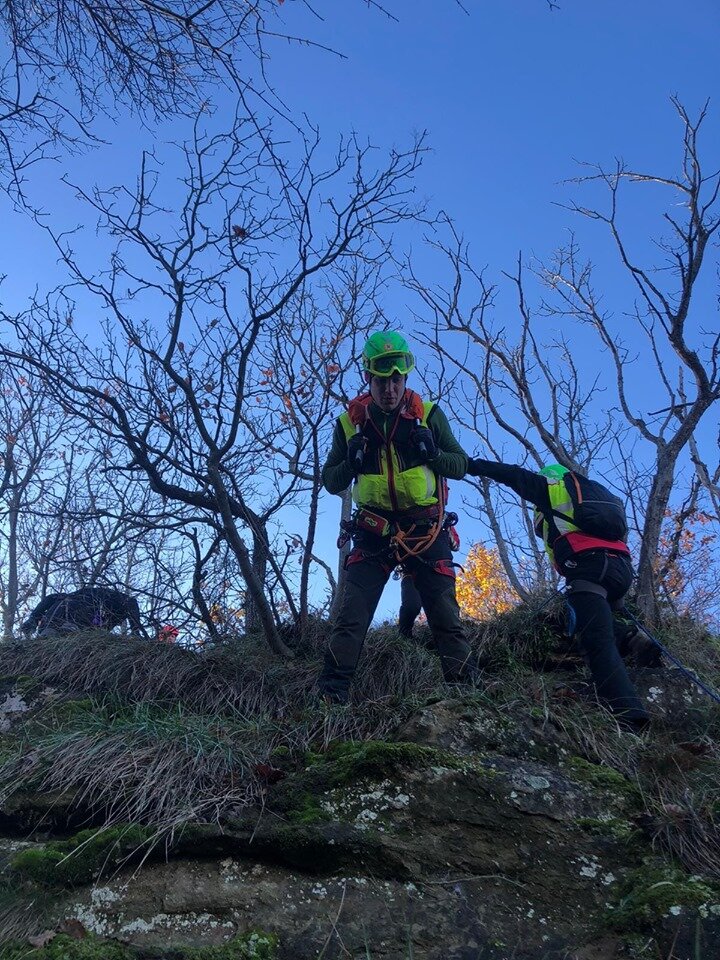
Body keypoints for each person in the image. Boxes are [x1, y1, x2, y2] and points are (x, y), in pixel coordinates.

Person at [318, 331, 477, 704]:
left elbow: (460, 465)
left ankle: (467, 701)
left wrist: (433, 454)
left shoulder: (430, 416)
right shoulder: (348, 424)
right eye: (380, 380)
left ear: (405, 378)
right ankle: (329, 701)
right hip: (373, 531)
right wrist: (351, 461)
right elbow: (330, 480)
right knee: (351, 617)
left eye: (396, 380)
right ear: (368, 378)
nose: (389, 389)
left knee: (444, 616)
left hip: (425, 528)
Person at [467, 458, 650, 731]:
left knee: (595, 640)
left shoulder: (550, 488)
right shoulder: (598, 493)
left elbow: (510, 473)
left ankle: (628, 714)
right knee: (603, 622)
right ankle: (633, 638)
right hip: (621, 569)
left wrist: (469, 465)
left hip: (588, 568)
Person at [21, 587, 148, 639]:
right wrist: (136, 631)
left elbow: (50, 598)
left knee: (47, 641)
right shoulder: (113, 602)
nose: (119, 623)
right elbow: (131, 602)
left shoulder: (69, 595)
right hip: (74, 621)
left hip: (51, 621)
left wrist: (33, 618)